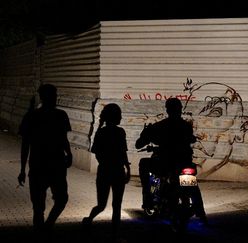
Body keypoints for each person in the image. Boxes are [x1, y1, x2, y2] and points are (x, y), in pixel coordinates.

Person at [135, 97, 207, 224]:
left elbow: (139, 143)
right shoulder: (186, 126)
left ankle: (148, 199)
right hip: (184, 163)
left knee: (143, 163)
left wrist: (146, 133)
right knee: (192, 183)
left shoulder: (160, 126)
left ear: (167, 110)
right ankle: (201, 212)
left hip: (165, 164)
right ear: (180, 109)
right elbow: (191, 139)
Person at [17, 83, 73, 232]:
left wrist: (23, 169)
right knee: (60, 200)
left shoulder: (31, 116)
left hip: (39, 166)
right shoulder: (60, 115)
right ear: (46, 97)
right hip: (55, 164)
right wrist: (69, 153)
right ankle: (46, 228)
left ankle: (42, 231)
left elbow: (25, 145)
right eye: (53, 95)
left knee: (39, 207)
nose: (55, 98)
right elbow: (63, 139)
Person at [82, 103, 131, 235]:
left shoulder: (101, 132)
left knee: (101, 205)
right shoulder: (120, 132)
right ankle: (115, 232)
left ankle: (89, 219)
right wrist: (127, 169)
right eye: (119, 115)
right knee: (117, 205)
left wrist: (105, 161)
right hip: (118, 171)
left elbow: (96, 152)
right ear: (115, 117)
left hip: (104, 171)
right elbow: (123, 152)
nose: (121, 117)